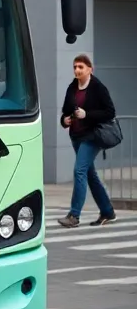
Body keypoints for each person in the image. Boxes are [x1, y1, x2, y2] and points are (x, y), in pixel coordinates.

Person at [58, 54, 118, 228]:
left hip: (92, 136)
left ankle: (74, 215)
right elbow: (65, 110)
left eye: (81, 67)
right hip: (76, 136)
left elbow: (110, 112)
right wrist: (65, 120)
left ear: (90, 69)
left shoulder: (98, 87)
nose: (77, 70)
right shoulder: (72, 87)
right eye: (75, 67)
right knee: (90, 175)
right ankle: (107, 211)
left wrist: (87, 115)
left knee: (79, 171)